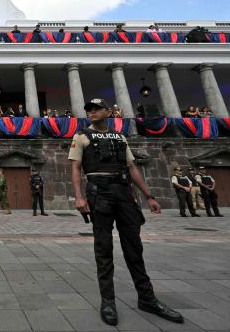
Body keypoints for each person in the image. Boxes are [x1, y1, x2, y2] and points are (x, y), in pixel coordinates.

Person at [69, 98, 183, 326]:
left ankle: (147, 298)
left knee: (134, 247)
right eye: (89, 110)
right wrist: (79, 197)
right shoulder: (82, 136)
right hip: (99, 193)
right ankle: (108, 302)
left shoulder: (119, 137)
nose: (92, 112)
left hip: (124, 193)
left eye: (96, 109)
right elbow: (75, 167)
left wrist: (149, 196)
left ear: (107, 112)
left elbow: (132, 167)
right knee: (104, 248)